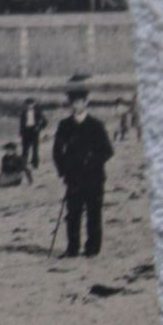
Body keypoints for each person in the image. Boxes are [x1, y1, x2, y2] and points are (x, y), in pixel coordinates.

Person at [53, 88, 115, 258]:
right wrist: (64, 170)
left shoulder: (96, 125)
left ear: (86, 103)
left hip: (94, 177)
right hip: (73, 178)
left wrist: (91, 162)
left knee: (94, 213)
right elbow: (57, 152)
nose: (75, 105)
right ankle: (72, 248)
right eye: (73, 102)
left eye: (79, 102)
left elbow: (108, 151)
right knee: (72, 214)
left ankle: (92, 248)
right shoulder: (64, 125)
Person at [19, 98, 49, 169]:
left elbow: (45, 121)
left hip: (34, 131)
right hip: (26, 132)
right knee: (25, 149)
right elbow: (21, 123)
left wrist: (39, 127)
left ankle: (35, 164)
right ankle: (23, 164)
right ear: (25, 105)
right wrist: (21, 132)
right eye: (27, 104)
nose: (29, 106)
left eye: (30, 104)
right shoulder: (23, 112)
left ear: (34, 104)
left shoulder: (38, 112)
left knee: (35, 149)